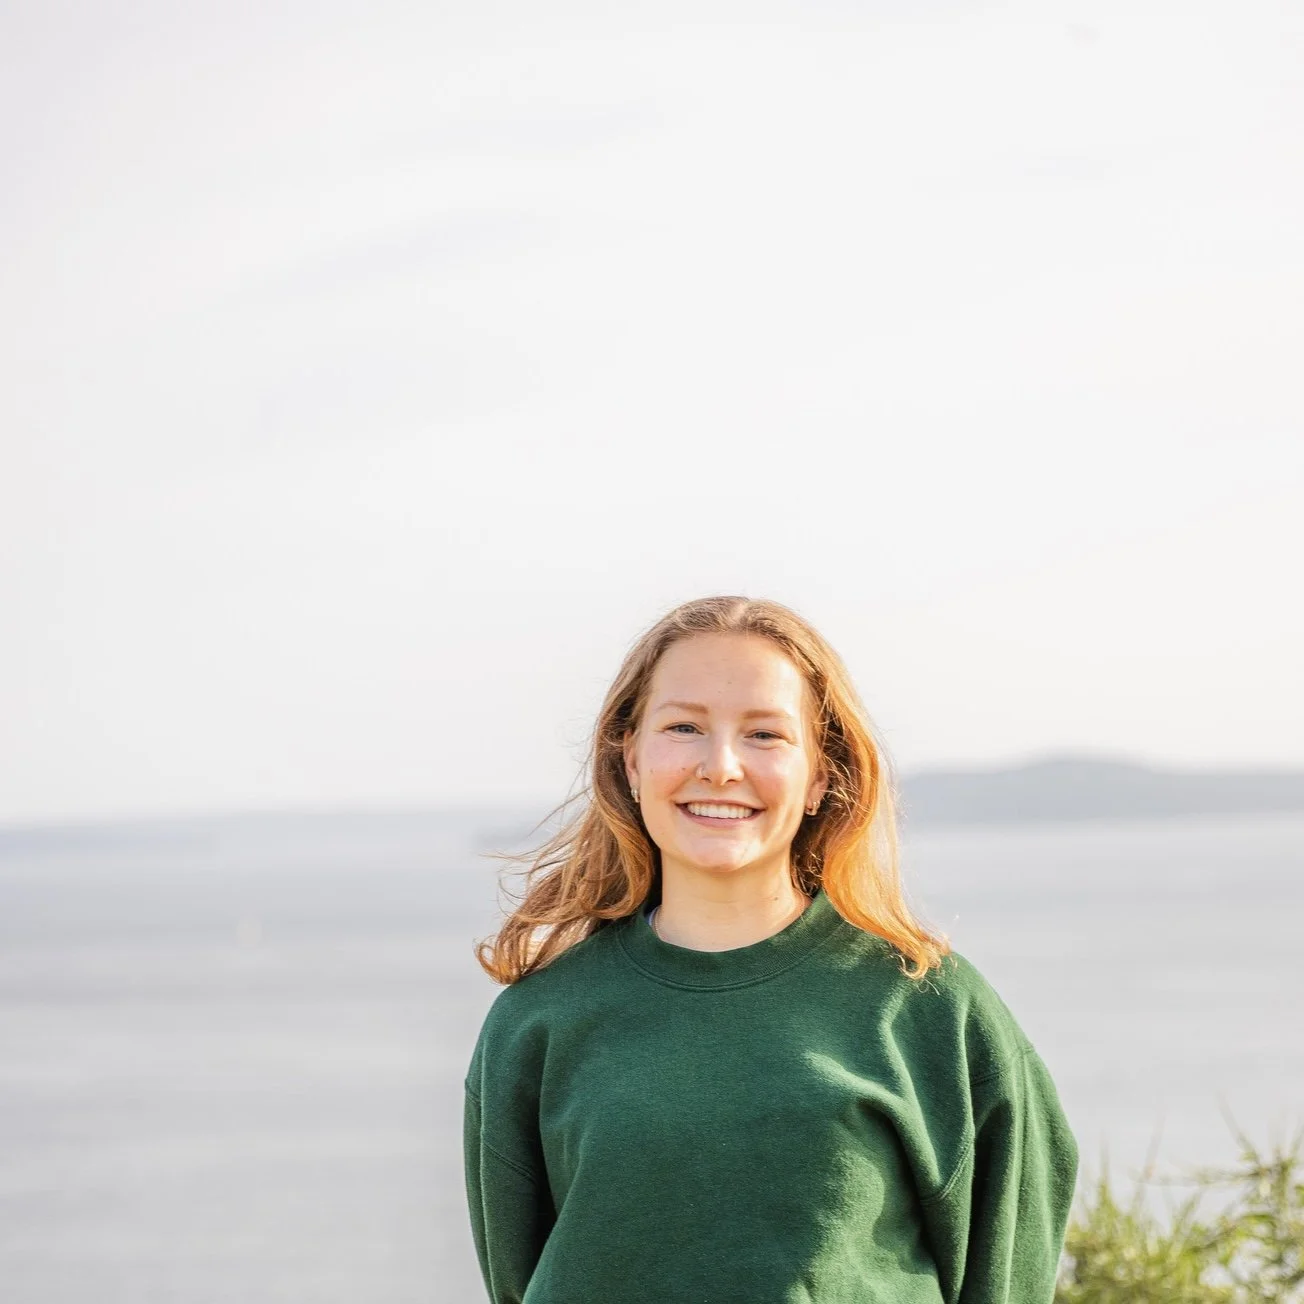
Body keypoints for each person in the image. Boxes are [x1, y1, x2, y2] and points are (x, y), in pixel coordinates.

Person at [462, 595, 1079, 1303]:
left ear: (820, 776)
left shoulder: (929, 1008)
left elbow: (1007, 1271)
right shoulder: (538, 1024)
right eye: (685, 726)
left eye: (764, 735)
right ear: (630, 759)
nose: (721, 767)